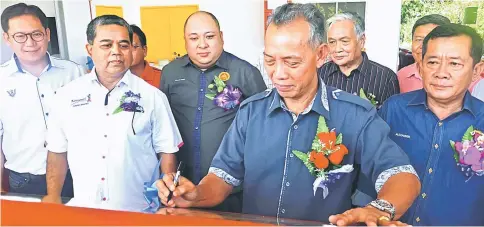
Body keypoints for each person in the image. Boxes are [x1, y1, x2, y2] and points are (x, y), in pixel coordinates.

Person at [156, 3, 420, 226]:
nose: (278, 74)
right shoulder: (251, 112)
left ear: (320, 55)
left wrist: (380, 208)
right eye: (270, 60)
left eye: (292, 62)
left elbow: (401, 174)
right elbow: (223, 178)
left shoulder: (355, 115)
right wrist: (194, 194)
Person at [41, 15, 183, 212]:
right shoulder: (66, 96)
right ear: (90, 49)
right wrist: (53, 197)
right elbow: (57, 151)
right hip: (86, 209)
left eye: (124, 45)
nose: (116, 52)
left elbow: (167, 150)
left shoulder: (153, 97)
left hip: (139, 210)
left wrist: (167, 196)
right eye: (106, 45)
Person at [160, 11, 266, 212]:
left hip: (231, 189)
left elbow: (262, 126)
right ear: (185, 41)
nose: (202, 44)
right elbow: (164, 126)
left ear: (221, 37)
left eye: (209, 36)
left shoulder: (245, 72)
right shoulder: (170, 73)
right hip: (183, 185)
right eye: (194, 38)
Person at [379, 24, 484, 225]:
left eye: (454, 64)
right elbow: (371, 171)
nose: (441, 73)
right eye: (433, 62)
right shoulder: (394, 110)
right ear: (420, 67)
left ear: (476, 71)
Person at [0, 3, 82, 196]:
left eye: (36, 34)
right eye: (20, 36)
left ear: (47, 34)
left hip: (74, 175)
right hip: (24, 180)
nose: (30, 43)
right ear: (7, 38)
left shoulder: (73, 72)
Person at [317, 12, 399, 106]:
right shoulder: (320, 73)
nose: (337, 49)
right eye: (332, 42)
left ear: (361, 41)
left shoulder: (385, 78)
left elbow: (390, 118)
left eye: (344, 41)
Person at [397, 14, 450, 93]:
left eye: (431, 39)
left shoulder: (463, 78)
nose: (423, 46)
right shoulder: (401, 76)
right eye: (419, 40)